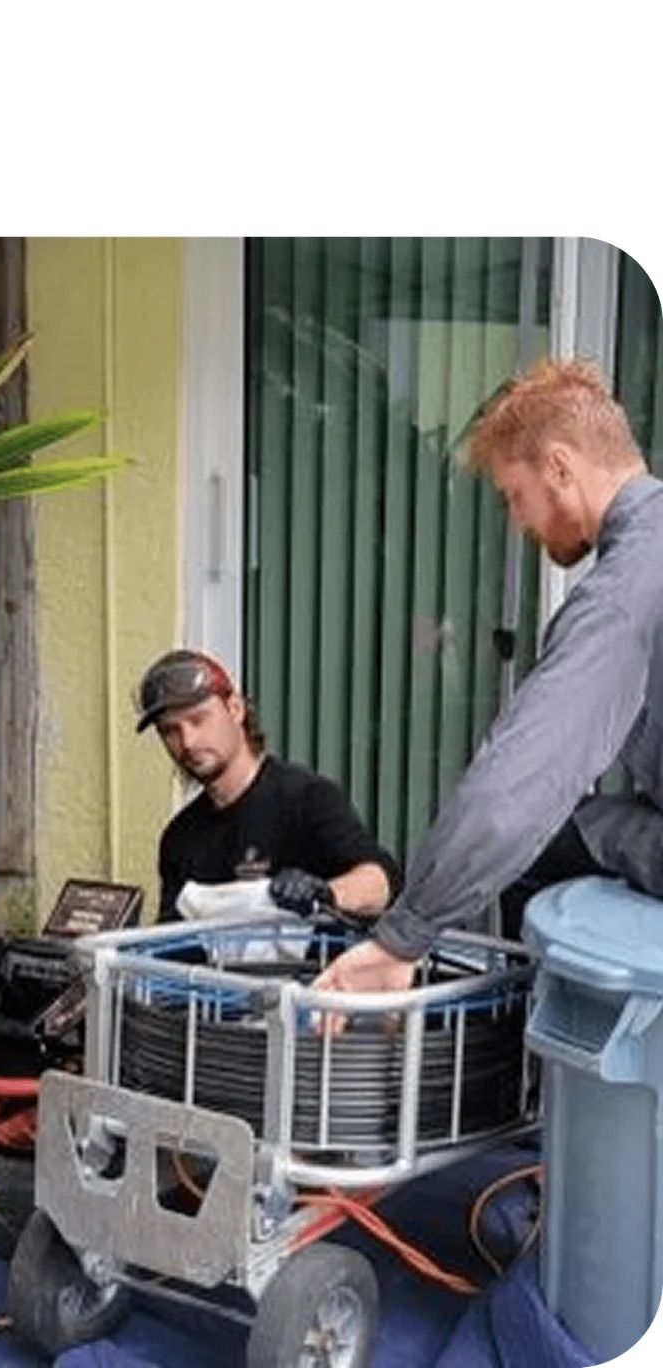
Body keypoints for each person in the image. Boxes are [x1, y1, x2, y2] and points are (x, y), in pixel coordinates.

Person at [315, 359, 663, 1000]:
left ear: (559, 468)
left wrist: (403, 936)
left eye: (514, 495)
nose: (517, 521)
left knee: (537, 841)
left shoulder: (625, 590)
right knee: (583, 830)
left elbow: (520, 786)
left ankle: (535, 1078)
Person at [138, 648, 401, 922]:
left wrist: (325, 894)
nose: (188, 741)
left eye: (198, 719)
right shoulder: (180, 838)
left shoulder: (306, 799)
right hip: (209, 966)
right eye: (170, 731)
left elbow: (381, 881)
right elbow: (166, 942)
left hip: (314, 964)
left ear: (235, 709)